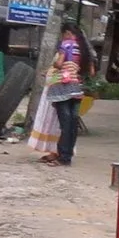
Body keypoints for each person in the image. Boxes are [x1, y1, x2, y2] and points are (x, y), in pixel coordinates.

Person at [40, 22, 87, 166]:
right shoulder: (84, 47)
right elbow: (90, 70)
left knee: (65, 124)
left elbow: (59, 64)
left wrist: (56, 65)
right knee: (72, 124)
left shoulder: (66, 44)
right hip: (77, 87)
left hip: (62, 88)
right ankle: (67, 157)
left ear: (66, 33)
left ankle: (62, 157)